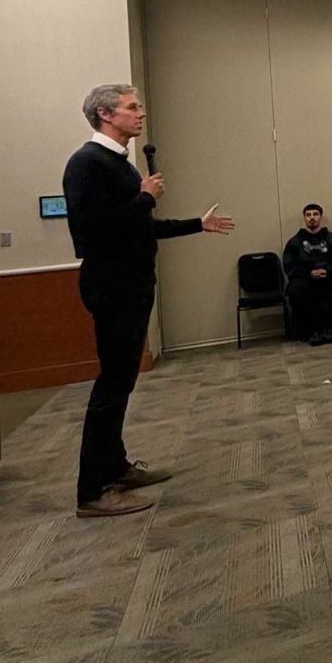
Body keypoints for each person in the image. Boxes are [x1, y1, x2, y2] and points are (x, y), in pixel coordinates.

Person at [62, 84, 234, 518]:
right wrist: (144, 198)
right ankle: (92, 491)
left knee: (122, 383)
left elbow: (139, 228)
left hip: (132, 284)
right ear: (105, 114)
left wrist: (198, 223)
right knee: (111, 385)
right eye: (131, 108)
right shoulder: (87, 163)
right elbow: (90, 236)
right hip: (112, 285)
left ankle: (115, 467)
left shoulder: (118, 163)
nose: (141, 114)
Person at [284, 204, 332, 345]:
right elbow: (289, 266)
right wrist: (309, 273)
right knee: (296, 289)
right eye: (308, 215)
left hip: (328, 277)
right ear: (304, 218)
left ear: (321, 217)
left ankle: (329, 328)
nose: (312, 218)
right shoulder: (294, 242)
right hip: (305, 279)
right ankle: (311, 331)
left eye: (315, 214)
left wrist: (327, 271)